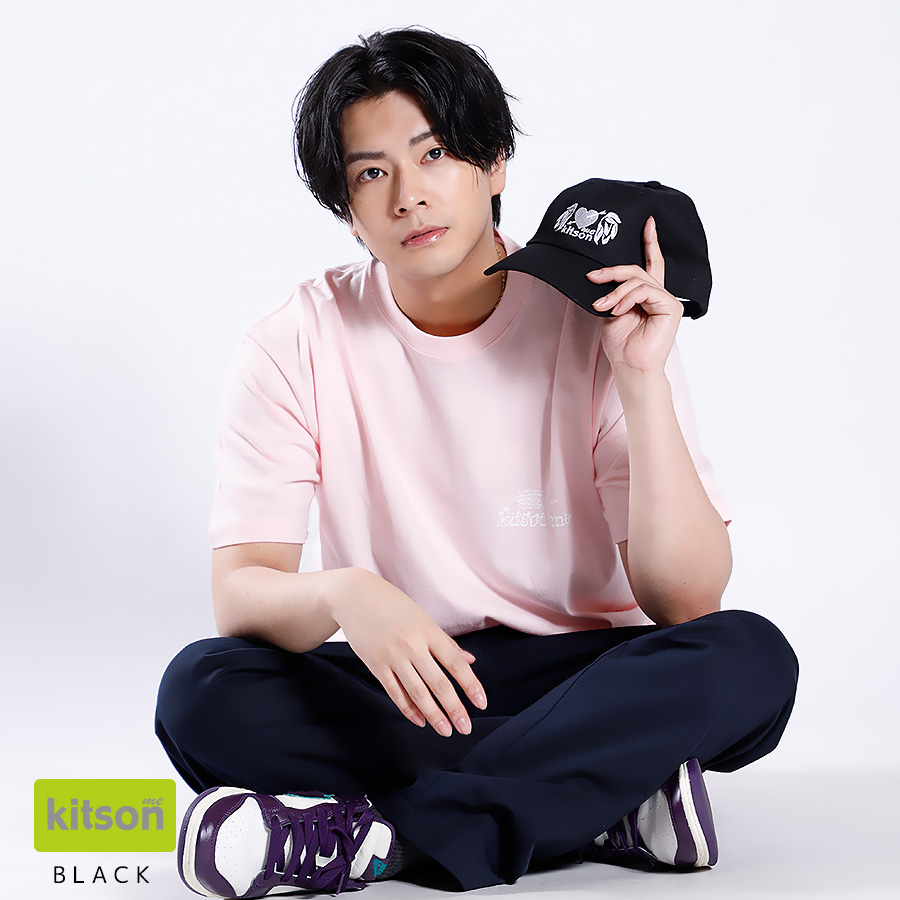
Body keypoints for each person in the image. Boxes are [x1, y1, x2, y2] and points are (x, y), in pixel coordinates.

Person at [155, 26, 798, 899]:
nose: (409, 196)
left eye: (436, 155)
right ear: (346, 206)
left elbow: (686, 603)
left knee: (749, 658)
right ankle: (595, 798)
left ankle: (381, 841)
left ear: (494, 164)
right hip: (410, 677)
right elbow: (241, 593)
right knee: (200, 692)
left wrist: (641, 382)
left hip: (582, 677)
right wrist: (347, 594)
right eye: (372, 173)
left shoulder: (593, 313)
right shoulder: (294, 339)